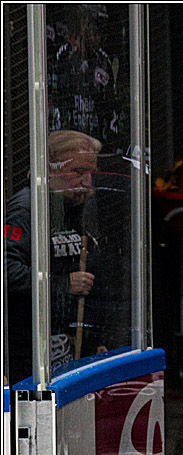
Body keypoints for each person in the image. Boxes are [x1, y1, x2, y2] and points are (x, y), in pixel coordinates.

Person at [5, 129, 108, 382]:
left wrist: (95, 342)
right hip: (27, 352)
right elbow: (6, 268)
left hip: (66, 347)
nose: (87, 182)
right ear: (50, 169)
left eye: (91, 173)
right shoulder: (26, 208)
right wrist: (61, 284)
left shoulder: (72, 206)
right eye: (78, 172)